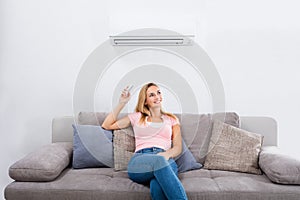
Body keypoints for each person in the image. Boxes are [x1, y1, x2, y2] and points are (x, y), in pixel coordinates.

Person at [102, 82, 188, 200]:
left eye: (158, 93)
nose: (157, 97)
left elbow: (178, 147)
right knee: (159, 162)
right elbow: (107, 125)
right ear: (145, 101)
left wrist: (165, 155)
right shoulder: (137, 117)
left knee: (157, 185)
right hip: (140, 159)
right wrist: (122, 103)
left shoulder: (172, 119)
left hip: (166, 159)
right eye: (152, 95)